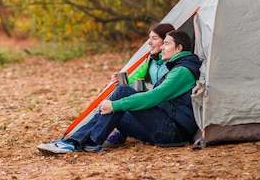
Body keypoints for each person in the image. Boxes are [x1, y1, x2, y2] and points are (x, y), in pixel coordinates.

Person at [37, 29, 202, 154]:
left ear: (179, 48)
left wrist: (115, 105)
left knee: (122, 92)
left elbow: (155, 97)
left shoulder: (182, 71)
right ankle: (79, 142)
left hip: (173, 132)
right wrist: (116, 106)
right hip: (165, 129)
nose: (163, 48)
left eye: (167, 44)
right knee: (116, 108)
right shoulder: (176, 67)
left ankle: (79, 142)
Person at [103, 22, 175, 148]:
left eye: (154, 38)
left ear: (166, 41)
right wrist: (120, 80)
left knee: (122, 103)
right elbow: (136, 76)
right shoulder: (151, 60)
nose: (149, 42)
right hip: (152, 104)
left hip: (163, 113)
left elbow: (159, 95)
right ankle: (115, 133)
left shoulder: (173, 65)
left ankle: (98, 137)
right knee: (123, 92)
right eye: (149, 38)